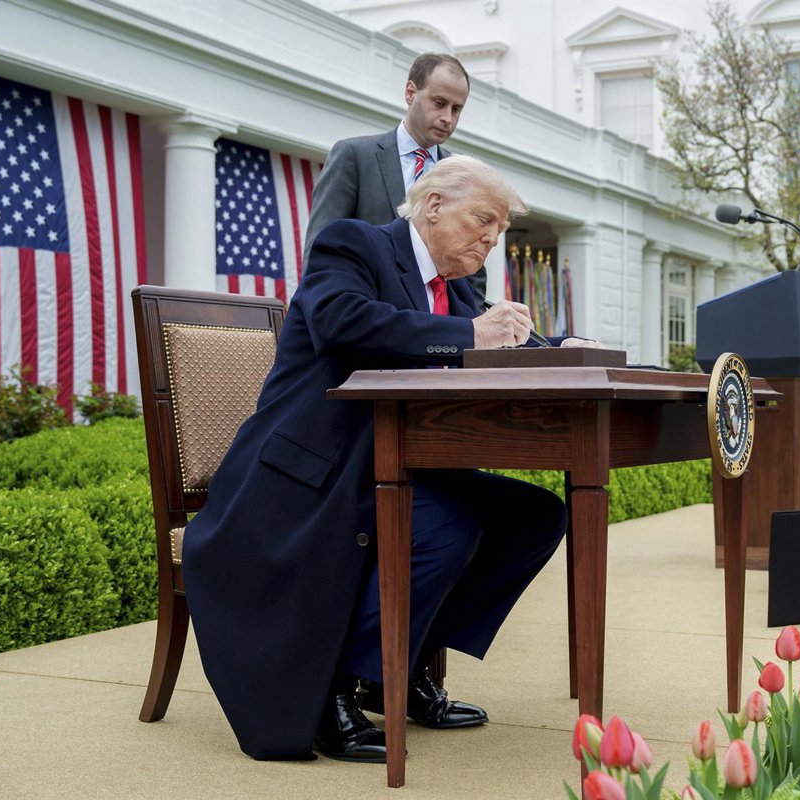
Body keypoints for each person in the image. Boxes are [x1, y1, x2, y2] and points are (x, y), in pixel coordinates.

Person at [182, 156, 593, 764]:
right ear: (434, 205)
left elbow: (497, 344)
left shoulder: (456, 288)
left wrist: (563, 349)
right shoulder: (353, 244)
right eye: (483, 220)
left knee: (534, 516)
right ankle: (334, 688)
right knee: (448, 529)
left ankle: (394, 665)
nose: (491, 238)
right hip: (315, 467)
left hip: (398, 461)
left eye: (500, 229)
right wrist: (472, 335)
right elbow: (341, 322)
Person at [304, 52, 488, 302]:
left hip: (441, 323)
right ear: (411, 93)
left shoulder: (465, 177)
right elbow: (321, 250)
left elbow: (474, 268)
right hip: (368, 317)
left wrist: (469, 320)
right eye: (439, 103)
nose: (448, 118)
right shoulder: (355, 156)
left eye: (456, 109)